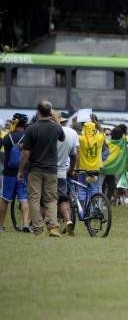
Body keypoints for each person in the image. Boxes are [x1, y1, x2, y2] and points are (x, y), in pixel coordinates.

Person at [16, 101, 66, 236]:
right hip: (51, 170)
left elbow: (26, 153)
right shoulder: (56, 127)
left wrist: (20, 170)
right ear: (50, 112)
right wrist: (55, 119)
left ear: (37, 112)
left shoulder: (31, 128)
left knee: (34, 199)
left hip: (35, 169)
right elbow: (62, 137)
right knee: (51, 199)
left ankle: (38, 228)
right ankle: (53, 227)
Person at [1, 115, 31, 232]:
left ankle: (1, 226)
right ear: (25, 124)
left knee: (5, 199)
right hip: (23, 172)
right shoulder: (28, 137)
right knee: (24, 198)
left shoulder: (7, 137)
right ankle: (25, 224)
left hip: (9, 173)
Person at [55, 113, 80, 233]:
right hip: (67, 168)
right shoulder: (73, 133)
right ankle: (69, 219)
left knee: (49, 199)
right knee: (64, 197)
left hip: (51, 170)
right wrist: (73, 169)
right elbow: (75, 155)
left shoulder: (53, 132)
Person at [77, 119, 106, 207]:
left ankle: (83, 209)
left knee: (81, 188)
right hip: (95, 169)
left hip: (83, 169)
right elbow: (101, 131)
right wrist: (96, 123)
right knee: (94, 189)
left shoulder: (81, 139)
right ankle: (95, 208)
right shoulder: (99, 138)